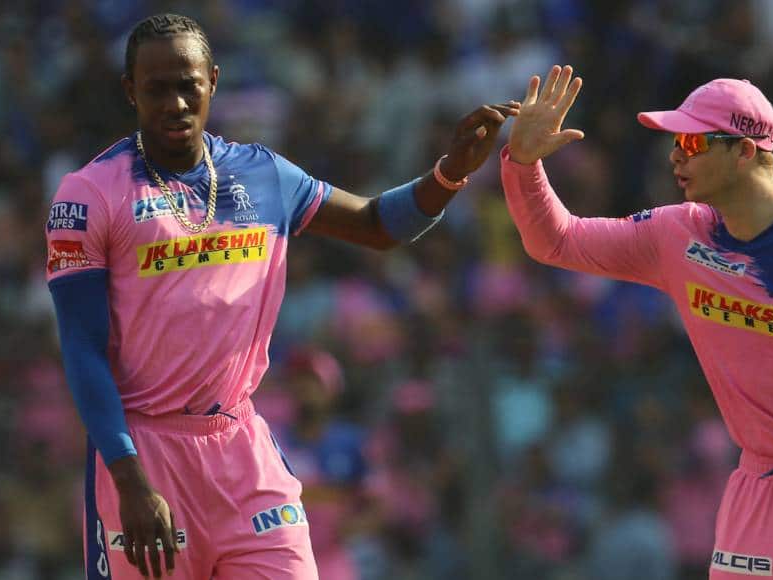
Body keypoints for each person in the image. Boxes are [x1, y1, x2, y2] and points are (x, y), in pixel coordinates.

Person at [45, 13, 517, 580]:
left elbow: (375, 223)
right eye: (156, 89)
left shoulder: (264, 175)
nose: (174, 104)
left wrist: (448, 174)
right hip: (144, 455)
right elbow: (81, 348)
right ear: (130, 91)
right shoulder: (90, 194)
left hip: (241, 448)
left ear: (213, 82)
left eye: (188, 85)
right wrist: (129, 480)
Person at [500, 65, 773, 579]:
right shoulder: (675, 235)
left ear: (745, 151)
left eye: (691, 140)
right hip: (757, 492)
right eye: (674, 140)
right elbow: (556, 241)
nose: (675, 154)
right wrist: (523, 162)